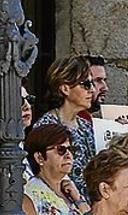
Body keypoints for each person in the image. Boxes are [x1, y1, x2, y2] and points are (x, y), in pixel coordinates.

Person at [33, 53, 96, 194]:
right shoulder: (46, 125)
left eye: (92, 84)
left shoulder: (86, 126)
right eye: (86, 84)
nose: (92, 89)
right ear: (65, 88)